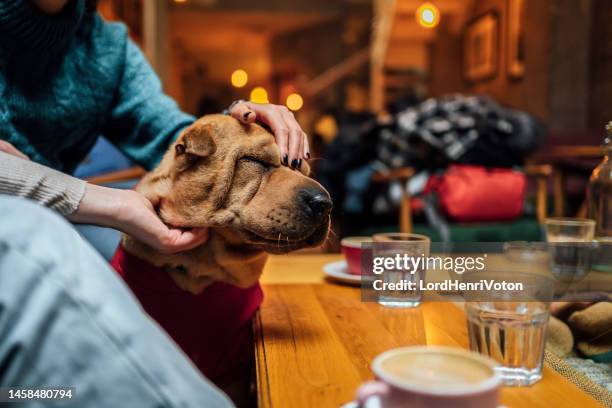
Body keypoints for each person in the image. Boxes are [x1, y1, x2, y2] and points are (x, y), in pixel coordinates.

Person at [0, 0, 309, 405]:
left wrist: (237, 125)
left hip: (54, 217)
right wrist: (105, 203)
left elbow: (170, 137)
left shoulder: (106, 46)